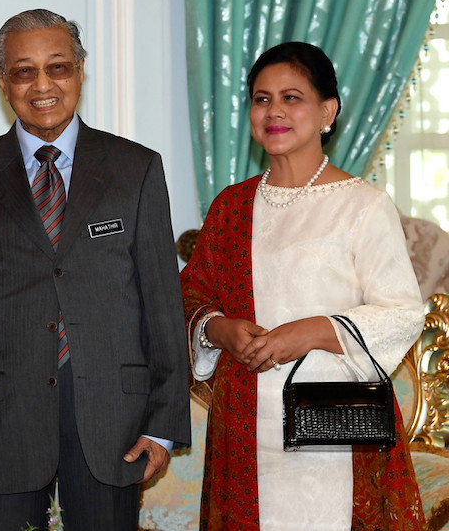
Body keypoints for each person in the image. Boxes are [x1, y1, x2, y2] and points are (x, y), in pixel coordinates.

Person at [0, 8, 191, 530]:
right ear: (3, 81)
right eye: (24, 71)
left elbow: (162, 304)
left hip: (113, 420)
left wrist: (163, 424)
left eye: (58, 67)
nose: (42, 85)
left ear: (81, 71)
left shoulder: (136, 170)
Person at [181, 41, 426, 530]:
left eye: (291, 97)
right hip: (245, 435)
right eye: (261, 98)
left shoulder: (363, 206)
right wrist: (218, 328)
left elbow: (402, 313)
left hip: (337, 434)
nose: (274, 111)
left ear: (327, 111)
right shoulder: (231, 207)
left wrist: (312, 330)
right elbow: (189, 294)